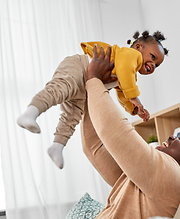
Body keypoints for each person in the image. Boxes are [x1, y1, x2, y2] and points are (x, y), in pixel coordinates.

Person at [82, 45, 180, 219]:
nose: (171, 137)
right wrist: (94, 87)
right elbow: (94, 147)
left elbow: (113, 131)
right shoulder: (146, 180)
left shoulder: (175, 178)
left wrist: (94, 80)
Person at [16, 30, 168, 169]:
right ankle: (30, 113)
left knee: (72, 116)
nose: (153, 65)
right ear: (138, 47)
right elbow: (126, 76)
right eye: (152, 57)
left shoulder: (130, 75)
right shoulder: (129, 55)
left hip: (86, 84)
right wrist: (135, 99)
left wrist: (133, 108)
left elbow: (122, 94)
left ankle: (57, 145)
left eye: (157, 65)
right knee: (60, 89)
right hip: (80, 66)